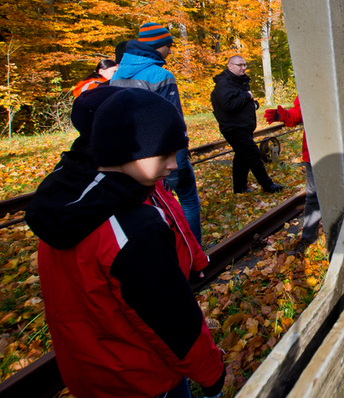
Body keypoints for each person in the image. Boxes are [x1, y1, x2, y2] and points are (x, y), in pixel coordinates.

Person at [28, 88, 225, 398]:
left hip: (93, 372)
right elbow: (171, 319)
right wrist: (212, 374)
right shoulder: (134, 229)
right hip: (145, 377)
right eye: (165, 154)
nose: (174, 164)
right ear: (128, 151)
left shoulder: (64, 206)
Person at [111, 22, 204, 243]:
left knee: (156, 203)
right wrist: (180, 156)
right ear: (156, 45)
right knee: (188, 198)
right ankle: (194, 249)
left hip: (134, 156)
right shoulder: (160, 75)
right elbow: (173, 121)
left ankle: (168, 247)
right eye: (168, 45)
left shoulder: (117, 75)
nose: (170, 51)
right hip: (164, 152)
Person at [210, 55, 283, 194]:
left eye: (244, 65)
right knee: (253, 153)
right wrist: (247, 96)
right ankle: (267, 185)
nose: (243, 68)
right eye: (239, 65)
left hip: (242, 126)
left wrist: (253, 104)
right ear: (230, 66)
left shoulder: (238, 81)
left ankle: (239, 188)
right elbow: (229, 105)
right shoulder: (224, 84)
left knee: (241, 157)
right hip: (234, 128)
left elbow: (239, 102)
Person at [264, 96, 319, 251]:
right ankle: (309, 238)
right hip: (312, 151)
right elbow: (300, 112)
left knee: (339, 194)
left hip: (336, 149)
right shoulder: (307, 81)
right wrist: (286, 116)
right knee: (313, 196)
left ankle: (342, 234)